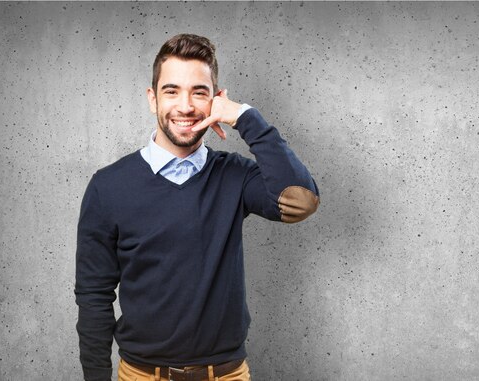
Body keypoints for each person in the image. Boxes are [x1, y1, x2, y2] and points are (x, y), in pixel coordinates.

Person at [74, 33, 319, 381]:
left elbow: (302, 201)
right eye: (171, 91)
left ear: (215, 100)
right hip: (141, 375)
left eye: (199, 92)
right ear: (152, 99)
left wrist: (245, 117)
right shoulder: (108, 186)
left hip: (226, 375)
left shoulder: (236, 175)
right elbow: (93, 295)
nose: (186, 106)